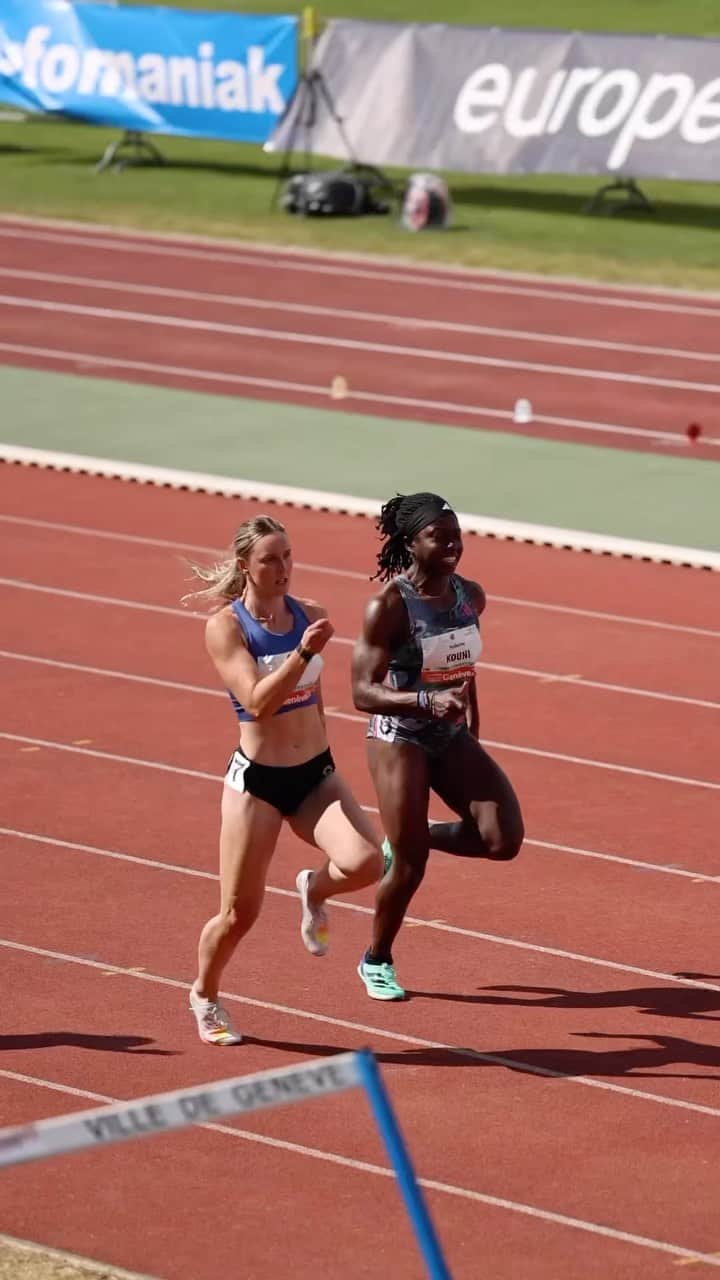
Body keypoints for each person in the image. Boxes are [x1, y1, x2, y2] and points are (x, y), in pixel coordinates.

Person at [186, 514, 382, 1044]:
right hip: (258, 784)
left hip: (314, 773)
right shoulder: (226, 627)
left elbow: (312, 697)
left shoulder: (309, 614)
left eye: (288, 556)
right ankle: (205, 994)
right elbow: (257, 703)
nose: (282, 568)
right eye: (270, 559)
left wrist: (319, 743)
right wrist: (302, 654)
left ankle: (313, 889)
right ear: (245, 566)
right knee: (237, 914)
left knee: (368, 861)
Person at [351, 492, 524, 1001]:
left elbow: (465, 667)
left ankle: (411, 835)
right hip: (398, 735)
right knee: (410, 867)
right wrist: (426, 701)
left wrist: (472, 723)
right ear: (411, 543)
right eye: (438, 536)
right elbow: (362, 691)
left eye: (456, 536)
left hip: (447, 731)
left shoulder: (471, 595)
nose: (451, 545)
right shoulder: (389, 605)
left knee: (502, 839)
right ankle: (377, 959)